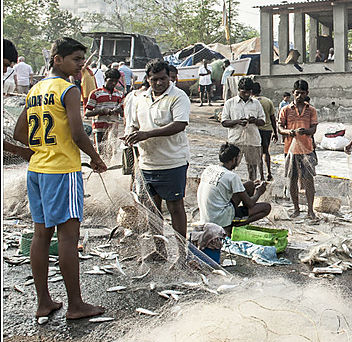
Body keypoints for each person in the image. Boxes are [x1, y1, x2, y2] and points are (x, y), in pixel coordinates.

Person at [13, 37, 107, 320]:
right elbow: (79, 133)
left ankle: (44, 301)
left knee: (41, 234)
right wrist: (96, 158)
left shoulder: (36, 89)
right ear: (58, 59)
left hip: (38, 170)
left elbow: (20, 133)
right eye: (76, 59)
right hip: (62, 171)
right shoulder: (69, 90)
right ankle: (76, 305)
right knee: (69, 236)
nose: (81, 65)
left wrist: (41, 147)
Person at [123, 58, 192, 242]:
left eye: (163, 78)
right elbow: (134, 125)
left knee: (175, 207)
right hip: (147, 162)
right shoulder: (140, 99)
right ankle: (158, 249)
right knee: (151, 209)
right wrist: (131, 135)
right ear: (147, 79)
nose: (159, 83)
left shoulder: (178, 96)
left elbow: (179, 125)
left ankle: (181, 250)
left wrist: (147, 134)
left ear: (169, 77)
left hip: (172, 162)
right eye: (154, 80)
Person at [198, 143, 271, 232]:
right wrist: (259, 192)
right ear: (233, 159)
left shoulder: (209, 168)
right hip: (220, 218)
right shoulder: (232, 176)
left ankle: (241, 216)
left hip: (207, 215)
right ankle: (234, 225)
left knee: (249, 184)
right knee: (266, 207)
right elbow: (250, 203)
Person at [278, 82, 318, 220]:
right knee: (292, 179)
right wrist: (291, 132)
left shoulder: (311, 110)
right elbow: (280, 128)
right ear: (293, 93)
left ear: (307, 93)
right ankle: (296, 208)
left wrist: (305, 131)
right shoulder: (286, 110)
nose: (300, 96)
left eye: (303, 93)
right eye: (297, 93)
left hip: (307, 149)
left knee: (308, 180)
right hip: (290, 149)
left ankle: (310, 210)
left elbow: (313, 129)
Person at [221, 76, 266, 181]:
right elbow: (224, 122)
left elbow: (262, 121)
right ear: (238, 90)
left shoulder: (256, 103)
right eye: (244, 92)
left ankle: (251, 191)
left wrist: (254, 120)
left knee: (252, 168)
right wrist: (237, 121)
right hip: (235, 140)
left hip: (253, 141)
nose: (246, 94)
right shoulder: (230, 103)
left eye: (248, 92)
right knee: (230, 167)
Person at [83, 67, 125, 150]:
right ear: (105, 79)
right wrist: (102, 111)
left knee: (111, 152)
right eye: (111, 81)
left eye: (115, 82)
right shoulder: (96, 93)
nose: (113, 83)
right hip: (99, 128)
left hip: (113, 128)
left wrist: (120, 111)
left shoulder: (119, 95)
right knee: (99, 151)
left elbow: (123, 113)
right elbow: (87, 113)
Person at [251, 81, 279, 181]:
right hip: (267, 129)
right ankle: (269, 172)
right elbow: (272, 117)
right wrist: (275, 132)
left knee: (258, 153)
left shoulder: (251, 102)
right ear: (260, 90)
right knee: (266, 152)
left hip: (256, 129)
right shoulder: (268, 101)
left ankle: (262, 175)